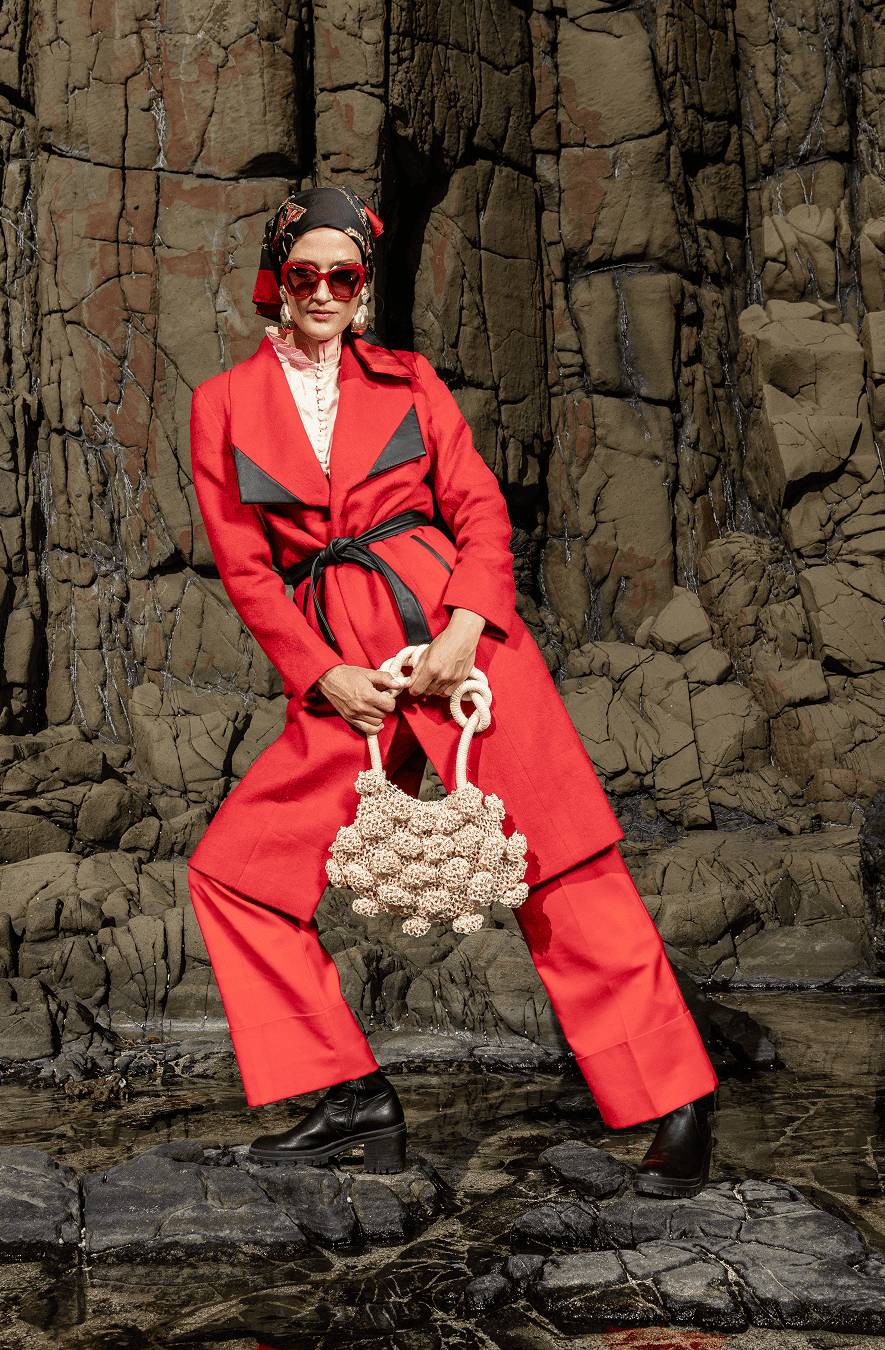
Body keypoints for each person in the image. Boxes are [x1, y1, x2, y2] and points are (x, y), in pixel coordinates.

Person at [187, 185, 718, 1196]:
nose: (325, 292)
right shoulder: (221, 406)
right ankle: (350, 1095)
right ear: (278, 280)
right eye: (307, 273)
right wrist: (323, 673)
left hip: (463, 645)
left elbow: (479, 513)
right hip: (348, 669)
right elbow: (247, 571)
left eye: (344, 276)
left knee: (563, 862)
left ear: (364, 289)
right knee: (239, 873)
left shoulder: (413, 381)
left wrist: (467, 625)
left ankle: (676, 1102)